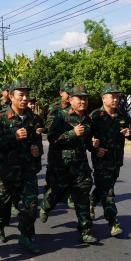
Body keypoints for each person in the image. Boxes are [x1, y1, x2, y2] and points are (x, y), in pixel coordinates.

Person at [40, 85, 98, 244]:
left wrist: (93, 144)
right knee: (57, 193)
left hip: (80, 166)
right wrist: (72, 133)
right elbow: (52, 137)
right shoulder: (61, 116)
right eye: (80, 98)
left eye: (85, 98)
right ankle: (46, 205)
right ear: (71, 100)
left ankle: (85, 231)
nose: (83, 101)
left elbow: (87, 143)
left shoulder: (88, 119)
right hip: (62, 165)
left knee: (83, 197)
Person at [0, 79, 41, 253]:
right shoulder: (1, 118)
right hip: (7, 171)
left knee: (32, 204)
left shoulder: (32, 117)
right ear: (11, 96)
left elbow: (35, 140)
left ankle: (25, 234)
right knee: (3, 204)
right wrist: (13, 137)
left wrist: (36, 150)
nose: (25, 98)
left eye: (27, 95)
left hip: (27, 169)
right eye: (21, 95)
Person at [89, 83, 131, 237]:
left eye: (117, 96)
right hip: (101, 159)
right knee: (108, 191)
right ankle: (112, 222)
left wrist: (129, 132)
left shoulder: (122, 114)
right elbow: (86, 138)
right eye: (113, 96)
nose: (116, 99)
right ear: (104, 98)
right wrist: (94, 148)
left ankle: (91, 201)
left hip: (116, 159)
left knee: (105, 186)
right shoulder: (95, 116)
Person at [44, 82, 75, 210]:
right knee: (53, 173)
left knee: (70, 172)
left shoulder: (75, 106)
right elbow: (49, 127)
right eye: (67, 92)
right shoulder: (55, 107)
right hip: (57, 146)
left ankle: (67, 196)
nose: (69, 95)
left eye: (71, 92)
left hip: (71, 146)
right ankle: (47, 195)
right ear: (61, 93)